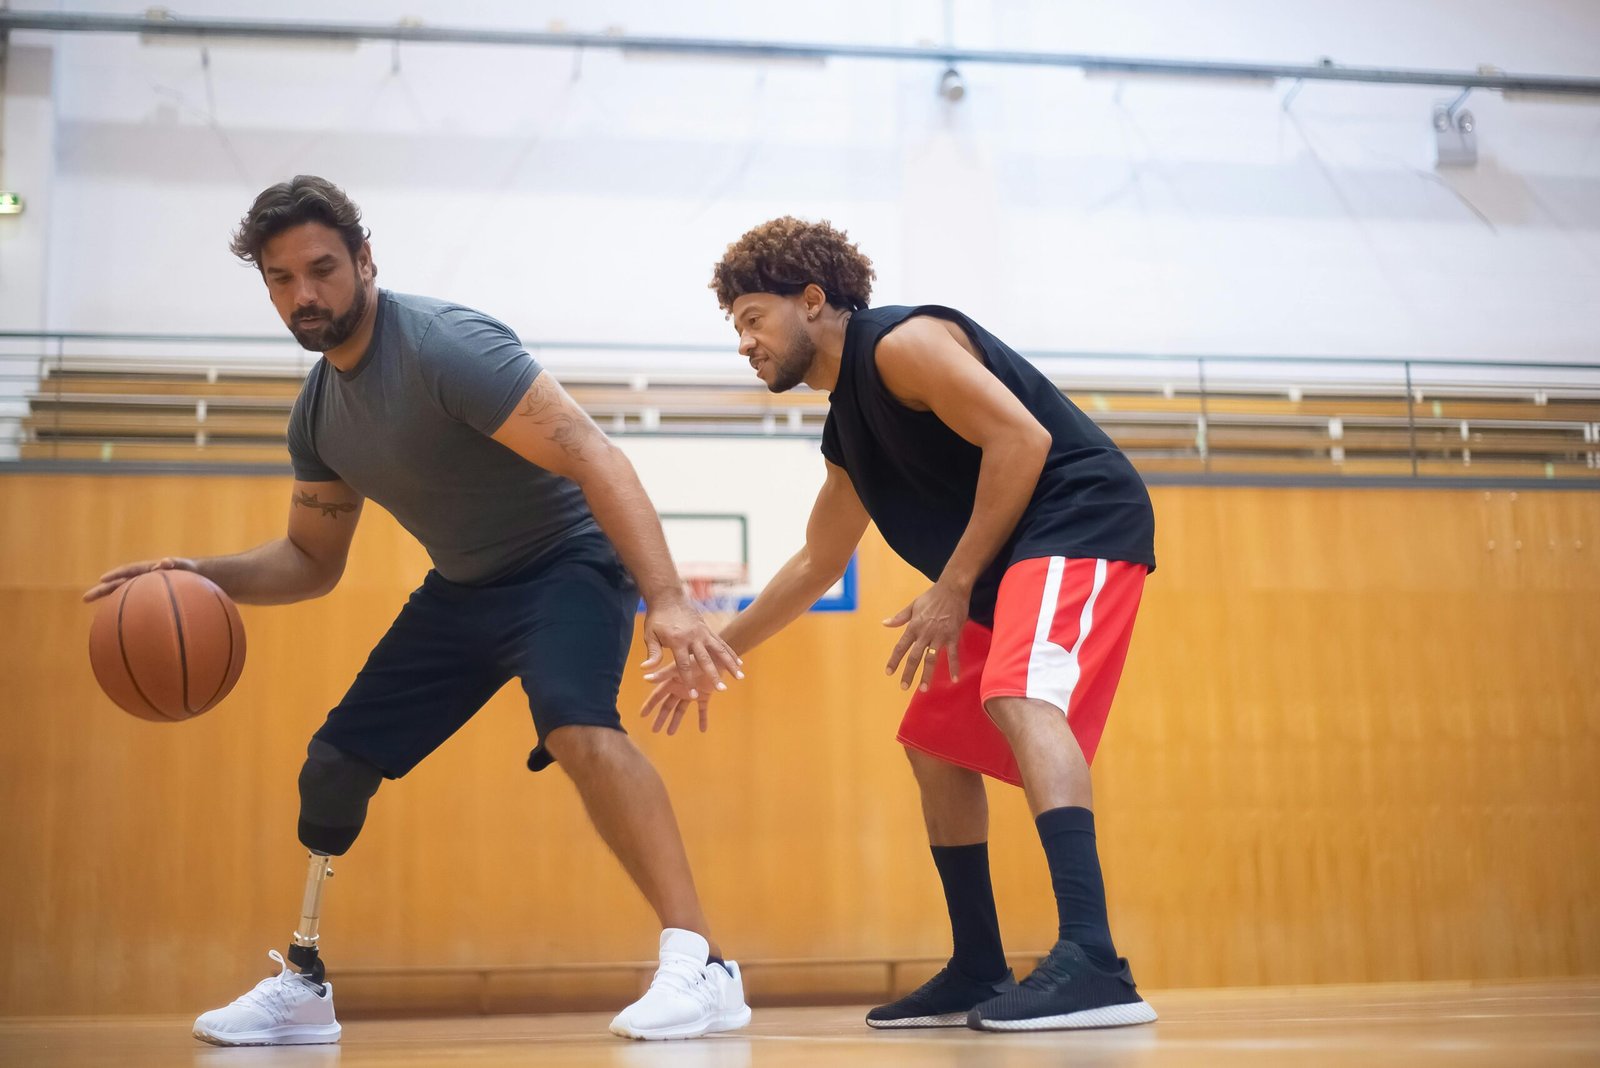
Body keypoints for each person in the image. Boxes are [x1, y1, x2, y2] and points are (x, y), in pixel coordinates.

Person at [83, 176, 751, 1046]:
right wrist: (199, 575)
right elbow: (311, 561)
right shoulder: (318, 416)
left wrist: (666, 600)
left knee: (577, 728)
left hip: (565, 562)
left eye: (321, 269)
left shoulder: (444, 346)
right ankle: (304, 982)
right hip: (465, 588)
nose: (304, 295)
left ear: (365, 260)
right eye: (281, 281)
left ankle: (701, 962)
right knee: (332, 767)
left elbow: (595, 453)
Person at [641, 216, 1158, 1033]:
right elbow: (818, 563)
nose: (742, 343)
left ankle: (1095, 961)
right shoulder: (849, 428)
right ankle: (980, 965)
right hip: (1004, 565)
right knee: (934, 743)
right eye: (734, 327)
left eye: (751, 319)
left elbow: (1021, 440)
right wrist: (714, 647)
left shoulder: (901, 346)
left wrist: (952, 585)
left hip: (1079, 519)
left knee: (1023, 696)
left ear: (813, 301)